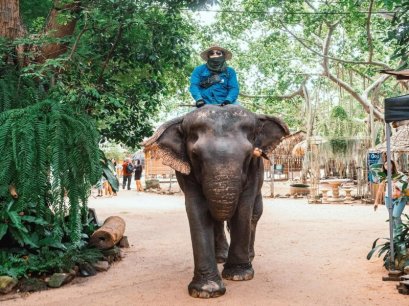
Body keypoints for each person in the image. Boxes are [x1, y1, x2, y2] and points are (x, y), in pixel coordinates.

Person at [374, 160, 408, 233]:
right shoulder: (384, 176)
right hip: (388, 198)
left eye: (389, 164)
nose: (387, 166)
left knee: (395, 216)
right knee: (392, 218)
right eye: (386, 164)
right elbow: (380, 189)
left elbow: (406, 186)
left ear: (393, 165)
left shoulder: (400, 174)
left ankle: (399, 236)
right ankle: (395, 239)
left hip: (400, 198)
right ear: (384, 166)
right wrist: (376, 202)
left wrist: (397, 183)